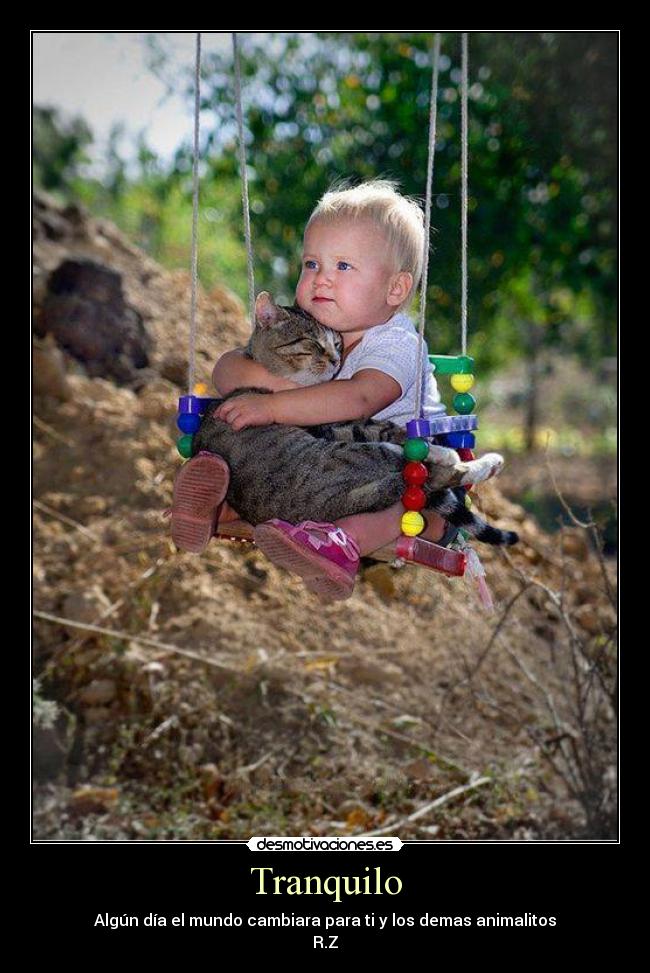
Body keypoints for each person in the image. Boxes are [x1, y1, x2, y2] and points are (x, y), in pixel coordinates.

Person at [171, 180, 456, 599]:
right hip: (333, 463)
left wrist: (273, 406)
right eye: (311, 264)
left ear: (395, 289)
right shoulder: (317, 328)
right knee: (247, 435)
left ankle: (340, 544)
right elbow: (228, 368)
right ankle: (218, 503)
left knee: (400, 497)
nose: (321, 279)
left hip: (412, 464)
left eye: (343, 267)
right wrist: (270, 386)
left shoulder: (397, 343)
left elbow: (360, 398)